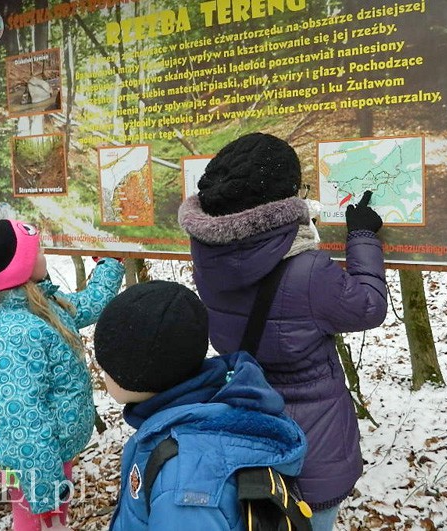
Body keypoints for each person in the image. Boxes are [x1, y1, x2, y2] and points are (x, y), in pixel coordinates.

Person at [178, 132, 388, 530]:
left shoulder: (207, 252)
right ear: (282, 201)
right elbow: (368, 307)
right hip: (311, 441)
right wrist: (362, 236)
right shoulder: (307, 271)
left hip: (246, 421)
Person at [0, 219, 125, 531]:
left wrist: (111, 265)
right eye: (37, 251)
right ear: (19, 268)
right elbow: (25, 420)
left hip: (48, 456)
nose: (43, 256)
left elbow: (86, 305)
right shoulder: (12, 337)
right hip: (32, 465)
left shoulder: (39, 307)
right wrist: (45, 491)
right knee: (34, 526)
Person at [93, 280, 308, 530]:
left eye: (107, 364)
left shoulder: (183, 485)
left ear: (138, 374)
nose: (102, 372)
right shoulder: (209, 399)